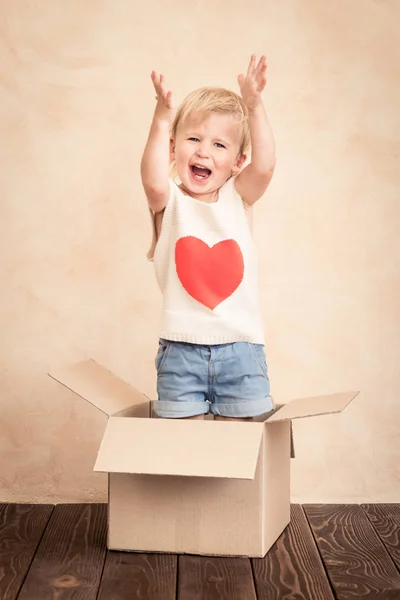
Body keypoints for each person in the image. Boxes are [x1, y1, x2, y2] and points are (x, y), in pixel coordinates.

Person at [141, 55, 276, 421]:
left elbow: (264, 167)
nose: (203, 150)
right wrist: (161, 117)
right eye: (194, 139)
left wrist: (254, 105)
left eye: (219, 145)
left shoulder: (238, 197)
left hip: (241, 349)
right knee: (186, 449)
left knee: (238, 448)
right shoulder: (169, 202)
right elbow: (152, 180)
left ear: (237, 161)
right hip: (180, 350)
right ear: (173, 149)